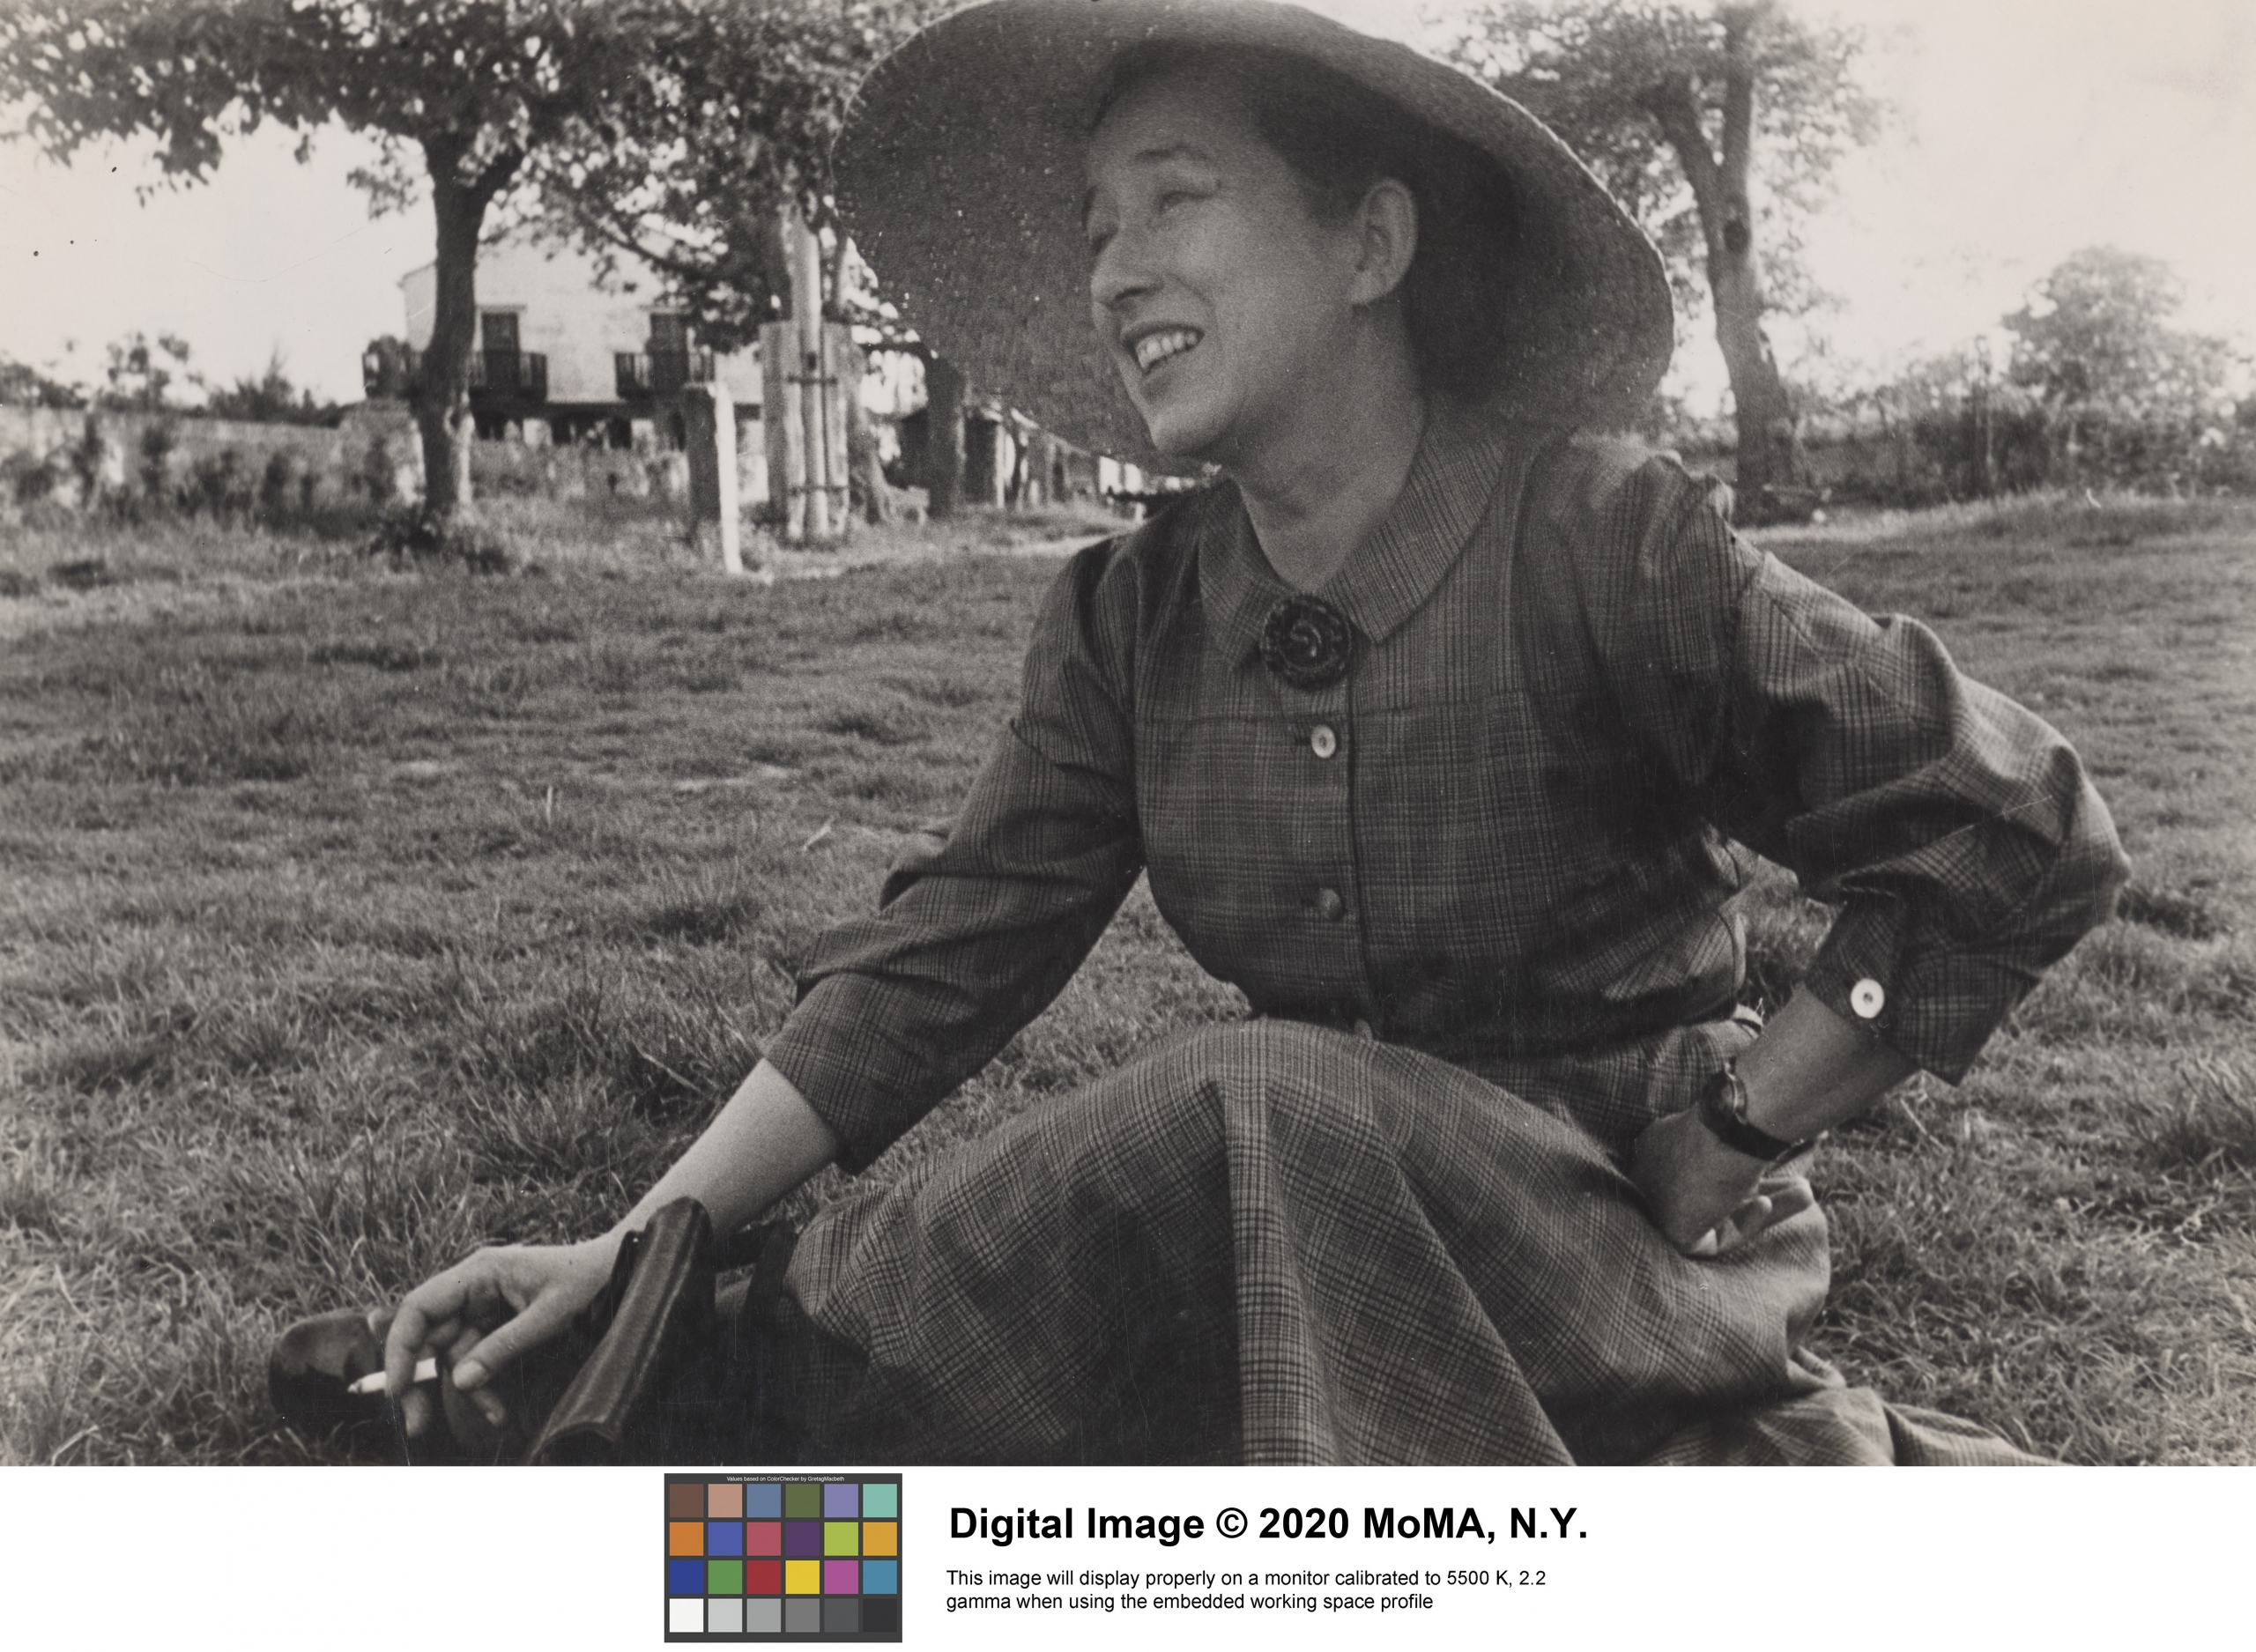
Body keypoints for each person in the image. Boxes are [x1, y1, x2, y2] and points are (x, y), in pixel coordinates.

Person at [350, 0, 2127, 1464]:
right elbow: (930, 964)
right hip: (1276, 1251)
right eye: (1093, 229)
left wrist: (1736, 1127)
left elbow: (2016, 830)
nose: (1116, 271)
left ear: (1369, 241)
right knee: (1001, 1368)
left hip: (1610, 1257)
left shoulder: (1599, 541)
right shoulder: (1127, 615)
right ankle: (633, 1354)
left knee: (1243, 1101)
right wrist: (638, 1236)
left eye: (1173, 198)